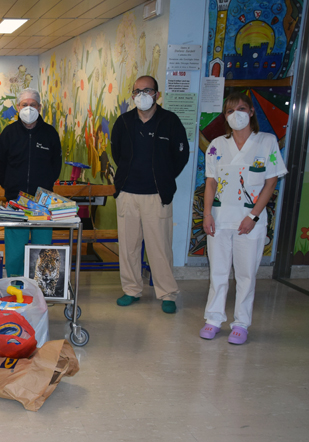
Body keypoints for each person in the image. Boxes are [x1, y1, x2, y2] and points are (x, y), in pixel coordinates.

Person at [200, 92, 286, 344]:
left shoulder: (267, 142)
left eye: (240, 108)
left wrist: (252, 215)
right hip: (220, 218)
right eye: (229, 110)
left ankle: (241, 323)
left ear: (250, 112)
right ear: (225, 117)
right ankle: (213, 318)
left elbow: (271, 183)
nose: (235, 114)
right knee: (218, 272)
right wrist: (206, 214)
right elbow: (210, 183)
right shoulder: (216, 145)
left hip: (251, 222)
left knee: (246, 274)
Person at [110, 75, 189, 314]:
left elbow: (180, 156)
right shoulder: (123, 122)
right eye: (137, 91)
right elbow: (117, 152)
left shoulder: (170, 121)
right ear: (132, 95)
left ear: (157, 94)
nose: (142, 95)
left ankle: (167, 293)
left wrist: (164, 177)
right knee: (128, 246)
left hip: (157, 195)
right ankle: (132, 289)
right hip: (127, 193)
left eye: (147, 90)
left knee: (160, 247)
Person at [0, 88, 63, 277]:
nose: (29, 108)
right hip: (16, 201)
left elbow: (56, 164)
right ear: (18, 107)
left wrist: (46, 186)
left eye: (33, 105)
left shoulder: (50, 134)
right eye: (25, 105)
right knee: (15, 250)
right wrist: (10, 187)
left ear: (40, 107)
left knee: (43, 247)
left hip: (43, 201)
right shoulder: (8, 134)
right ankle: (15, 283)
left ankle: (43, 285)